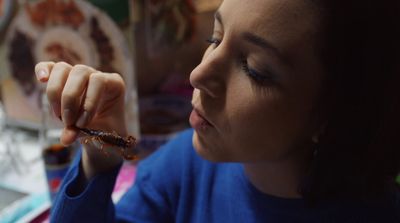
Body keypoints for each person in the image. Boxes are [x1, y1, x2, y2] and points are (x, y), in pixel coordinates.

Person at [35, 0, 400, 222]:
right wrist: (101, 158)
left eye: (254, 68)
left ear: (332, 113)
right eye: (216, 37)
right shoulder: (186, 167)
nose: (198, 74)